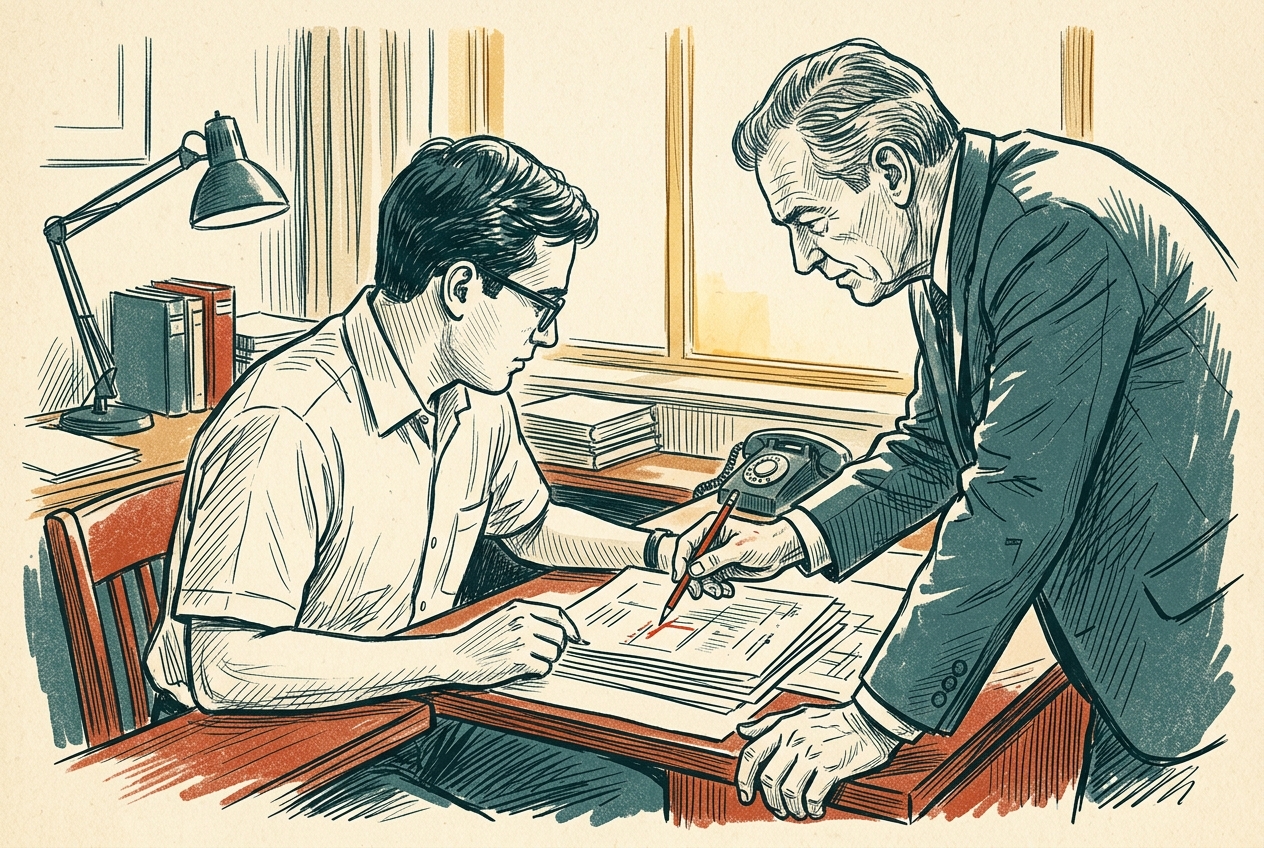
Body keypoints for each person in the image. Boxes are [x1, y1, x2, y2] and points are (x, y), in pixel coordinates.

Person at [676, 39, 1237, 818]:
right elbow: (937, 447)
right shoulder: (951, 241)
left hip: (1203, 666)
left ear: (891, 172)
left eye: (810, 220)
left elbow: (1017, 497)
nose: (803, 258)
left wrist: (871, 721)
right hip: (1132, 653)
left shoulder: (1052, 231)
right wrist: (795, 538)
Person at [144, 135, 684, 821]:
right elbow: (226, 665)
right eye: (543, 305)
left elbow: (530, 525)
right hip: (256, 744)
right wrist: (454, 656)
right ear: (460, 288)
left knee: (635, 799)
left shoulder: (475, 396)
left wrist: (658, 550)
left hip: (402, 707)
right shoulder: (287, 418)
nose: (547, 335)